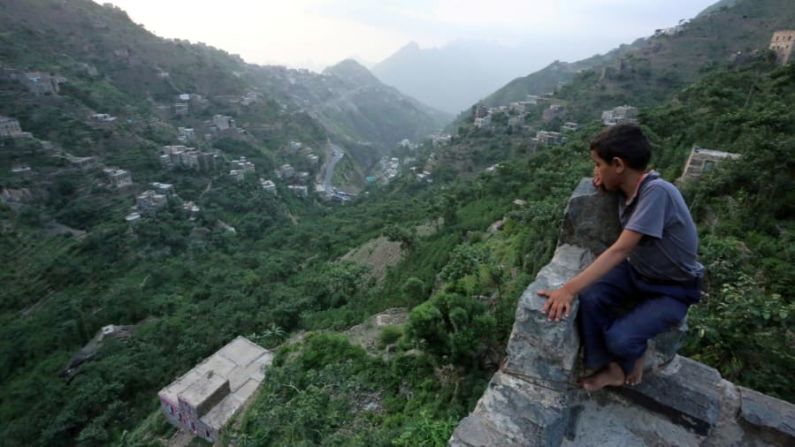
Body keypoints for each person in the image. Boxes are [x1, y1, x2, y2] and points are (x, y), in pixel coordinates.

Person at [537, 123, 703, 392]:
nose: (595, 171)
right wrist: (606, 180)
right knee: (590, 297)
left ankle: (632, 355)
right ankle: (609, 367)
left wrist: (567, 289)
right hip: (637, 273)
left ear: (618, 164)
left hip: (673, 289)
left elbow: (621, 249)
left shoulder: (658, 192)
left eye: (598, 164)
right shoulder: (629, 189)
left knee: (621, 339)